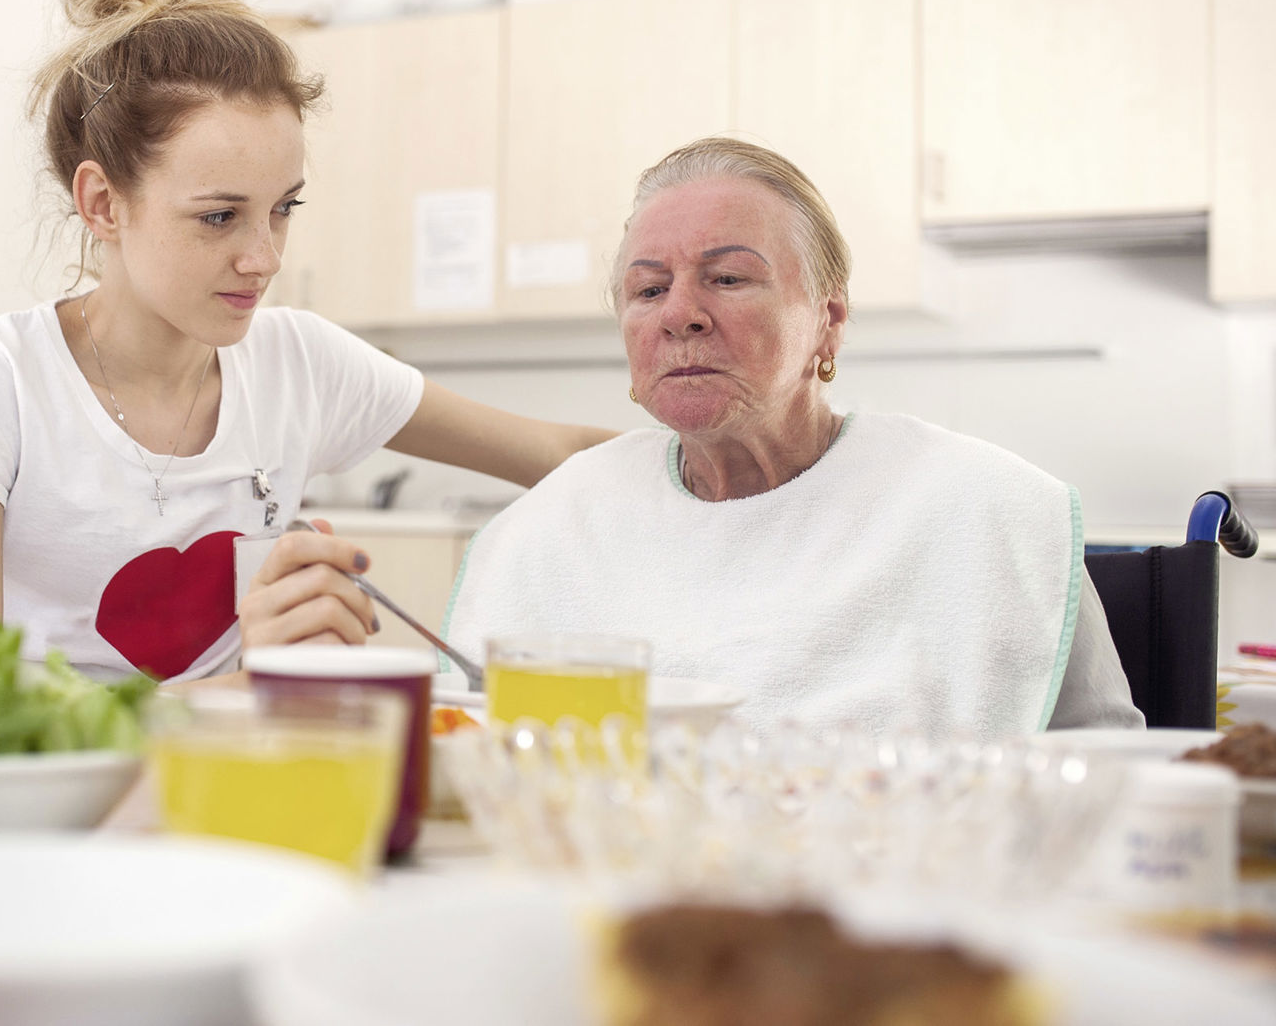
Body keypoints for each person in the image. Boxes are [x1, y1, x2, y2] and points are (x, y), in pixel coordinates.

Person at [0, 0, 615, 680]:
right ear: (103, 202)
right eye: (219, 216)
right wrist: (249, 681)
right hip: (55, 797)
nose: (264, 258)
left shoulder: (300, 362)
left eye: (283, 208)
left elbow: (561, 456)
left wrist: (723, 460)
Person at [244, 137, 1140, 737]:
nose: (680, 315)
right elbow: (477, 759)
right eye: (646, 289)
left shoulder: (982, 509)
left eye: (728, 277)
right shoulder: (553, 525)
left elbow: (1113, 776)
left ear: (827, 324)